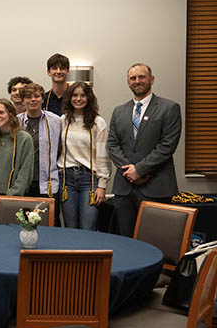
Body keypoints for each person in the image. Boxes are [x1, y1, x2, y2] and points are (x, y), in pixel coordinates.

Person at [107, 63, 181, 237]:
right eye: (133, 78)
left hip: (156, 186)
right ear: (128, 82)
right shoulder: (119, 111)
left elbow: (167, 145)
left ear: (152, 79)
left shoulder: (169, 108)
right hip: (125, 188)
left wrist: (140, 170)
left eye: (142, 77)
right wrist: (130, 171)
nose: (137, 81)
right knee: (125, 240)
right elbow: (112, 144)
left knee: (155, 239)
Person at [58, 82, 111, 230]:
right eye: (75, 95)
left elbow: (102, 155)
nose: (78, 99)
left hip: (90, 180)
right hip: (67, 179)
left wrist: (102, 185)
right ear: (69, 98)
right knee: (70, 227)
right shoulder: (64, 120)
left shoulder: (98, 122)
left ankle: (87, 254)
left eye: (83, 95)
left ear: (89, 98)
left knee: (88, 227)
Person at [17, 83, 62, 200]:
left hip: (47, 182)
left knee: (49, 218)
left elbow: (61, 148)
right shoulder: (16, 122)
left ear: (42, 99)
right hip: (23, 182)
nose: (33, 100)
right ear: (23, 101)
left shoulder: (55, 121)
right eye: (28, 97)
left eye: (36, 96)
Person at [0, 99, 33, 196]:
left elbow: (25, 171)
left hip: (12, 197)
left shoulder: (24, 138)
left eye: (1, 112)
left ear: (10, 114)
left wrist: (13, 194)